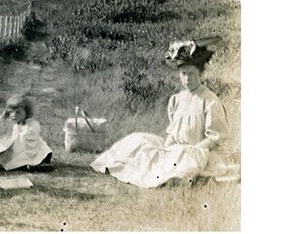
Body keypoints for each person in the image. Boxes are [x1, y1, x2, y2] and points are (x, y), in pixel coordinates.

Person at [91, 37, 240, 188]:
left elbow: (215, 139)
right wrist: (165, 149)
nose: (187, 79)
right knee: (137, 140)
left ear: (200, 74)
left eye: (191, 73)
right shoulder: (177, 99)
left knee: (180, 159)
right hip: (178, 149)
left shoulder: (210, 100)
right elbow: (173, 133)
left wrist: (191, 150)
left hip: (201, 152)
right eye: (184, 74)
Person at [0, 90, 53, 171]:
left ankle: (39, 167)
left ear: (26, 113)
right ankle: (28, 166)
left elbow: (26, 138)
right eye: (11, 112)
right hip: (17, 152)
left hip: (33, 152)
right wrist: (3, 117)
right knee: (6, 156)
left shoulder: (31, 124)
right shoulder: (10, 123)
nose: (14, 115)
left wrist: (16, 132)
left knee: (41, 155)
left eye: (18, 112)